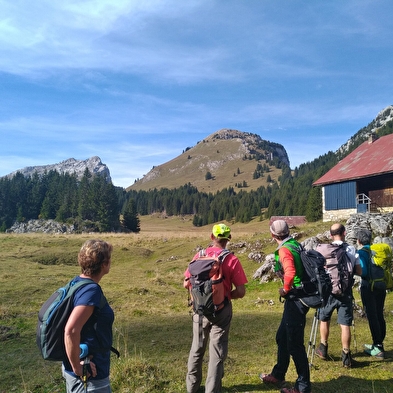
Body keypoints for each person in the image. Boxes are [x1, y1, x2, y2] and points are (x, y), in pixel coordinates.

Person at [184, 223, 248, 393]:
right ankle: (212, 390)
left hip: (199, 310)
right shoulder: (231, 259)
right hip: (221, 310)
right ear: (229, 239)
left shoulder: (199, 256)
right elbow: (241, 291)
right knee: (217, 352)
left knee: (196, 348)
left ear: (212, 237)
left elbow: (186, 283)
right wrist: (226, 296)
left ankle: (192, 388)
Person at [260, 219, 311, 393]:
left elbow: (290, 271)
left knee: (295, 344)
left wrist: (284, 289)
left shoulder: (284, 249)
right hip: (300, 297)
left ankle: (302, 387)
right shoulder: (295, 244)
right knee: (282, 337)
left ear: (272, 234)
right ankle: (278, 374)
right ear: (288, 231)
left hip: (296, 299)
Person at [62, 239, 115, 393]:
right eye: (109, 258)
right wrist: (77, 367)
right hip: (90, 376)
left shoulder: (77, 283)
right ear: (104, 264)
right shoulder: (91, 291)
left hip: (85, 369)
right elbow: (71, 330)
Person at [315, 223, 362, 367]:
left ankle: (323, 348)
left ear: (330, 235)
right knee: (345, 324)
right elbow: (359, 271)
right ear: (344, 233)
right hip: (345, 292)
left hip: (328, 292)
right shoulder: (351, 249)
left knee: (324, 319)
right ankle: (346, 356)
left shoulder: (324, 250)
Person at [357, 229, 386, 360]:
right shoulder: (376, 251)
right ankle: (379, 343)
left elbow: (363, 272)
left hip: (368, 287)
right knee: (379, 313)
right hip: (381, 285)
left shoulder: (361, 252)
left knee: (372, 315)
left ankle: (378, 347)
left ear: (358, 241)